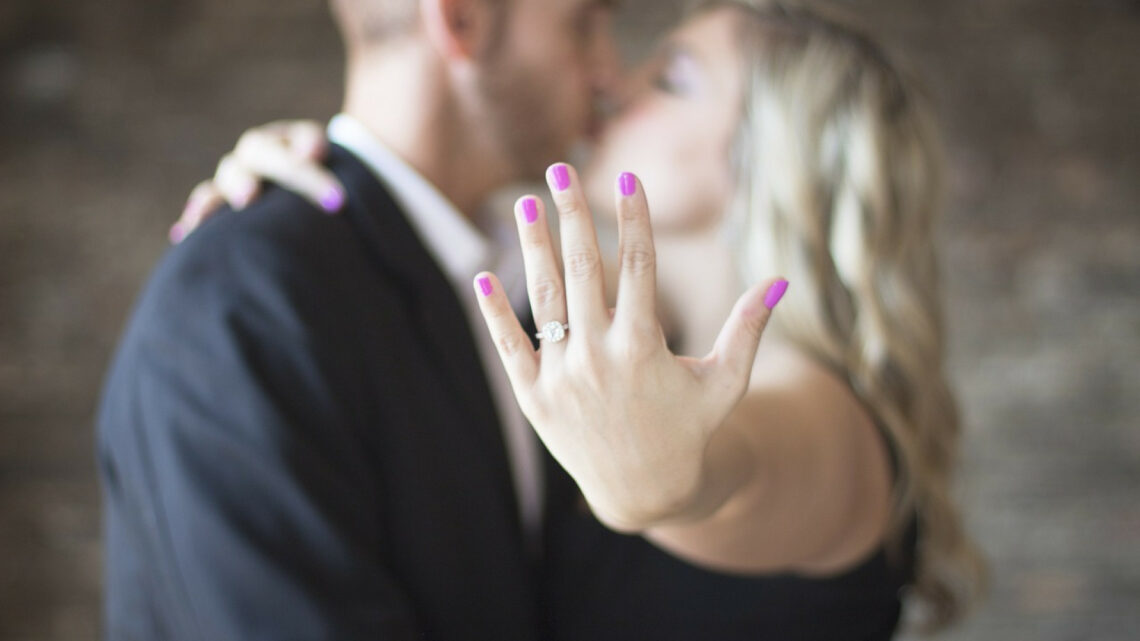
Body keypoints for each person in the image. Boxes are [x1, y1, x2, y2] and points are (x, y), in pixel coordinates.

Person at [119, 1, 988, 640]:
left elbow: (740, 464)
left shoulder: (824, 421)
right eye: (596, 29)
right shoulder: (517, 314)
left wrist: (669, 480)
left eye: (673, 79)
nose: (615, 83)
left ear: (776, 160)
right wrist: (298, 192)